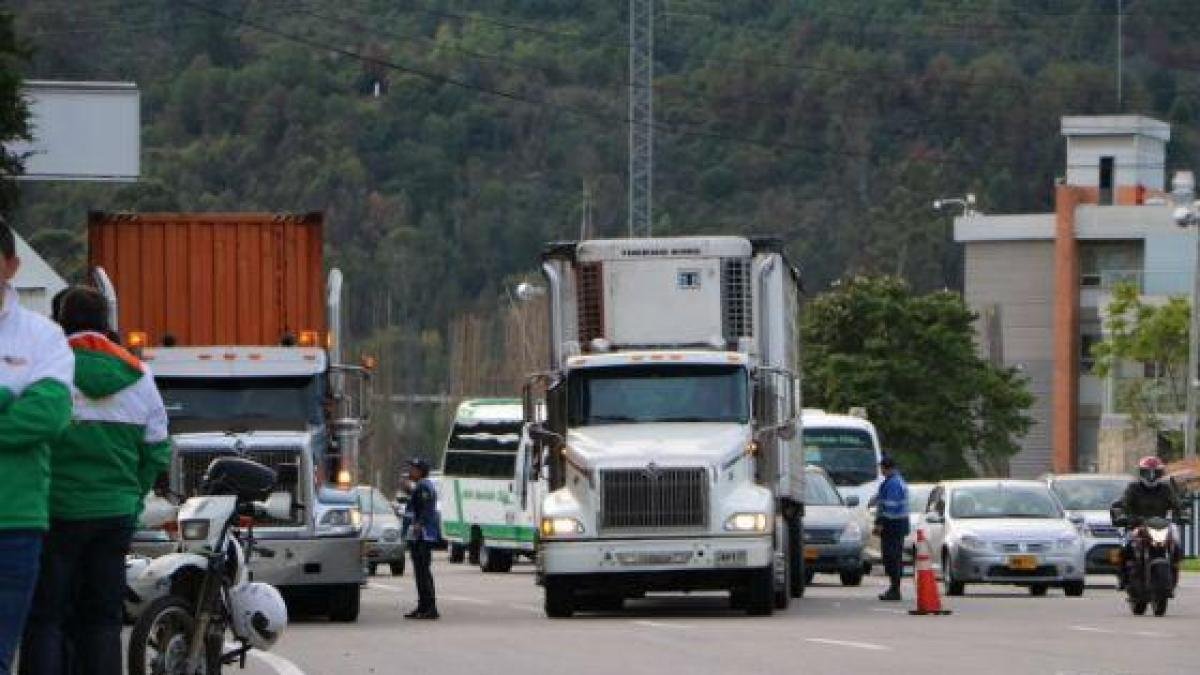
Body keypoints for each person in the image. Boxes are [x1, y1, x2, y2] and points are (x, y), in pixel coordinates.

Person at [21, 286, 171, 675]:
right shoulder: (140, 375)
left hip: (54, 511)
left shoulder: (48, 367)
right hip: (114, 514)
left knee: (47, 616)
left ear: (60, 323)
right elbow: (157, 449)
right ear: (106, 324)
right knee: (103, 618)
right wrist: (133, 496)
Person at [0, 219, 74, 675]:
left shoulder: (42, 335)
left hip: (15, 522)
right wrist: (10, 398)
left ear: (11, 265)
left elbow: (49, 415)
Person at [1113, 455, 1183, 591]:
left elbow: (1176, 504)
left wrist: (1181, 514)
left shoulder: (1165, 489)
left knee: (1176, 546)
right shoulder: (1133, 488)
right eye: (1147, 472)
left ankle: (1173, 572)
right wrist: (1123, 516)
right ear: (1141, 473)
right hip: (1137, 525)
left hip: (1160, 525)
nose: (1151, 476)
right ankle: (1122, 578)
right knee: (1125, 547)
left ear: (1160, 473)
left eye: (1155, 473)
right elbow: (1123, 504)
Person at [402, 458, 441, 619]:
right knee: (419, 572)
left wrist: (419, 524)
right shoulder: (420, 486)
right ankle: (422, 606)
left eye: (413, 468)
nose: (410, 471)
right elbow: (416, 503)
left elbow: (426, 508)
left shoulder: (424, 486)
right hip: (418, 535)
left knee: (423, 572)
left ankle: (430, 608)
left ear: (420, 471)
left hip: (423, 535)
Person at [872, 455, 909, 602]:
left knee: (891, 557)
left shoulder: (893, 483)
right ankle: (894, 587)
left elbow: (890, 506)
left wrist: (880, 523)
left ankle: (895, 589)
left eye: (882, 468)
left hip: (893, 524)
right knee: (893, 557)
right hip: (897, 524)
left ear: (888, 468)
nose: (881, 471)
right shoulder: (894, 481)